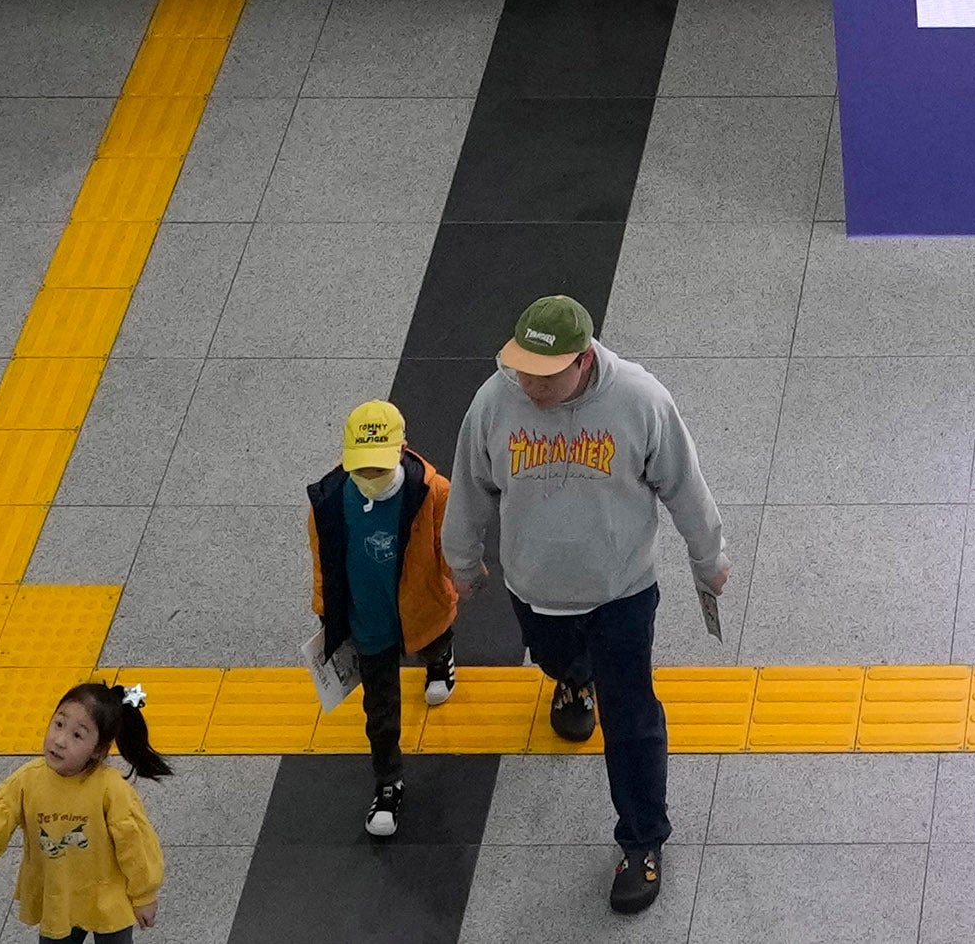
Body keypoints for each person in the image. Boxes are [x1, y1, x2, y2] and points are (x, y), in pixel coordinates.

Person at [448, 289, 730, 918]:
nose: (530, 383)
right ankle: (572, 681)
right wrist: (462, 562)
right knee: (554, 660)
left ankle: (642, 842)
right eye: (522, 366)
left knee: (630, 715)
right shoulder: (495, 402)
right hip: (536, 591)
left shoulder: (639, 400)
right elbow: (469, 484)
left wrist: (708, 558)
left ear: (583, 359)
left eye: (545, 374)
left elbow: (685, 483)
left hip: (621, 594)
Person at [306, 389, 464, 839]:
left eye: (378, 463)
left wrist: (455, 582)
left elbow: (449, 544)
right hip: (367, 622)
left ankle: (440, 660)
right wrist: (325, 611)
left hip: (422, 607)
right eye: (362, 465)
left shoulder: (432, 492)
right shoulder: (331, 499)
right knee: (379, 711)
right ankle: (388, 780)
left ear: (401, 449)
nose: (370, 474)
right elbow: (323, 559)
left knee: (435, 638)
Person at [0, 679, 164, 936]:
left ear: (99, 751)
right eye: (58, 724)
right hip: (58, 901)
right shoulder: (27, 781)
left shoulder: (111, 790)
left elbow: (136, 845)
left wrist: (144, 895)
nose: (60, 740)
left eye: (77, 735)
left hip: (109, 899)